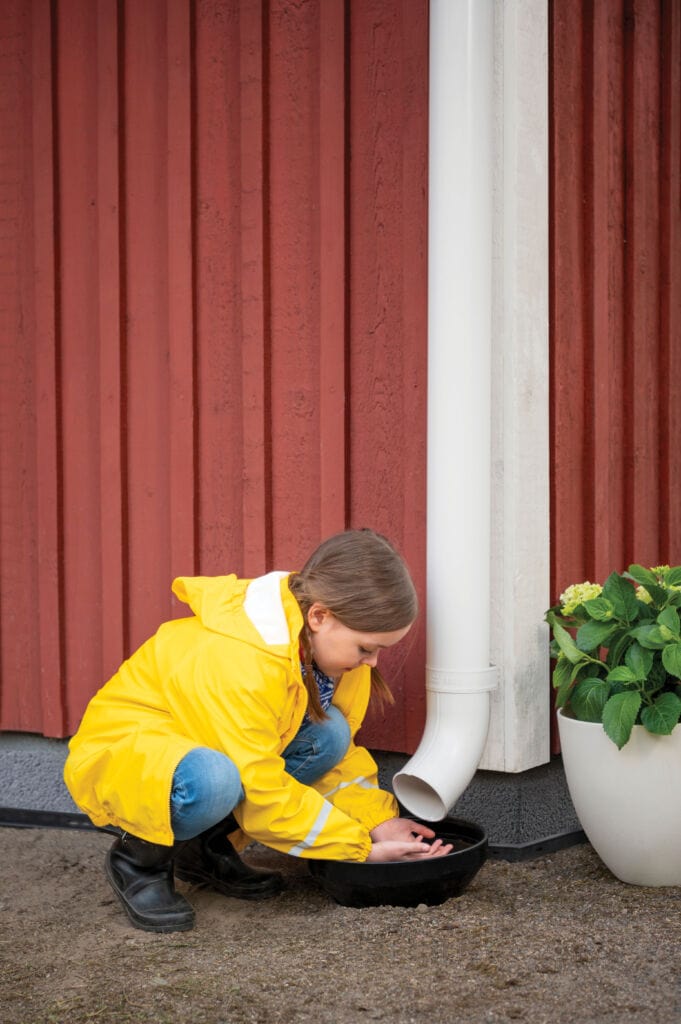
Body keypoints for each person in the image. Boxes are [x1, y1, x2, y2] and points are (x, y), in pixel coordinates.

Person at [64, 528, 452, 933]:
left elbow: (337, 759)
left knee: (331, 734)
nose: (372, 663)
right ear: (320, 616)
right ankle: (139, 861)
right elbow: (261, 790)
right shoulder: (246, 661)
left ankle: (202, 850)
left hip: (204, 749)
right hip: (126, 755)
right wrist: (358, 849)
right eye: (366, 648)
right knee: (214, 780)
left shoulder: (328, 651)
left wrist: (377, 822)